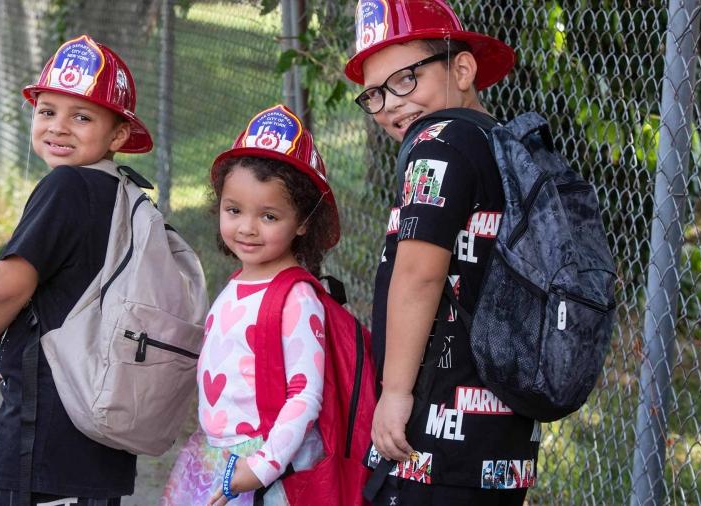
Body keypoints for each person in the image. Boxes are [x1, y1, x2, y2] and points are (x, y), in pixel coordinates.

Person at [344, 1, 539, 505]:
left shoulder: (438, 143)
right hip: (501, 438)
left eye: (406, 79)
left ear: (462, 67)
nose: (390, 105)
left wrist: (394, 393)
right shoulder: (502, 145)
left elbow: (419, 277)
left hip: (434, 433)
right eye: (375, 94)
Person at [0, 34, 154, 506]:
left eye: (81, 116)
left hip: (45, 413)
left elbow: (8, 285)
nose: (59, 127)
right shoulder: (126, 194)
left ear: (118, 135)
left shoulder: (65, 185)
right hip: (105, 408)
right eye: (47, 111)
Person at [160, 105, 341, 506]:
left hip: (269, 467)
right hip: (217, 455)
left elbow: (304, 394)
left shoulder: (295, 297)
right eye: (234, 210)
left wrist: (262, 466)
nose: (247, 227)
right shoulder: (236, 285)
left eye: (269, 216)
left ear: (304, 221)